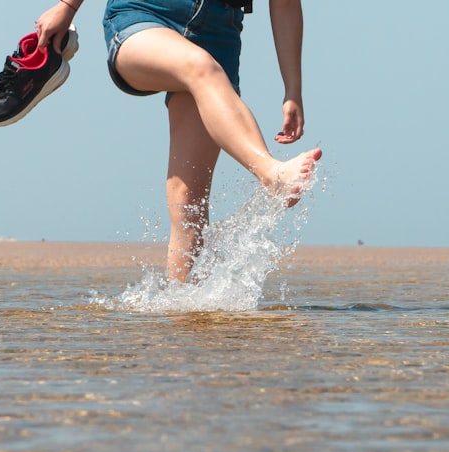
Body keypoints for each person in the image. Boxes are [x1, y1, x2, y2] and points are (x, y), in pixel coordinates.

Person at [35, 0, 323, 282]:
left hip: (217, 33)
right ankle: (272, 173)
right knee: (200, 66)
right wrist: (67, 6)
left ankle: (187, 313)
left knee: (189, 202)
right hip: (144, 14)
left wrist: (292, 91)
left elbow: (284, 3)